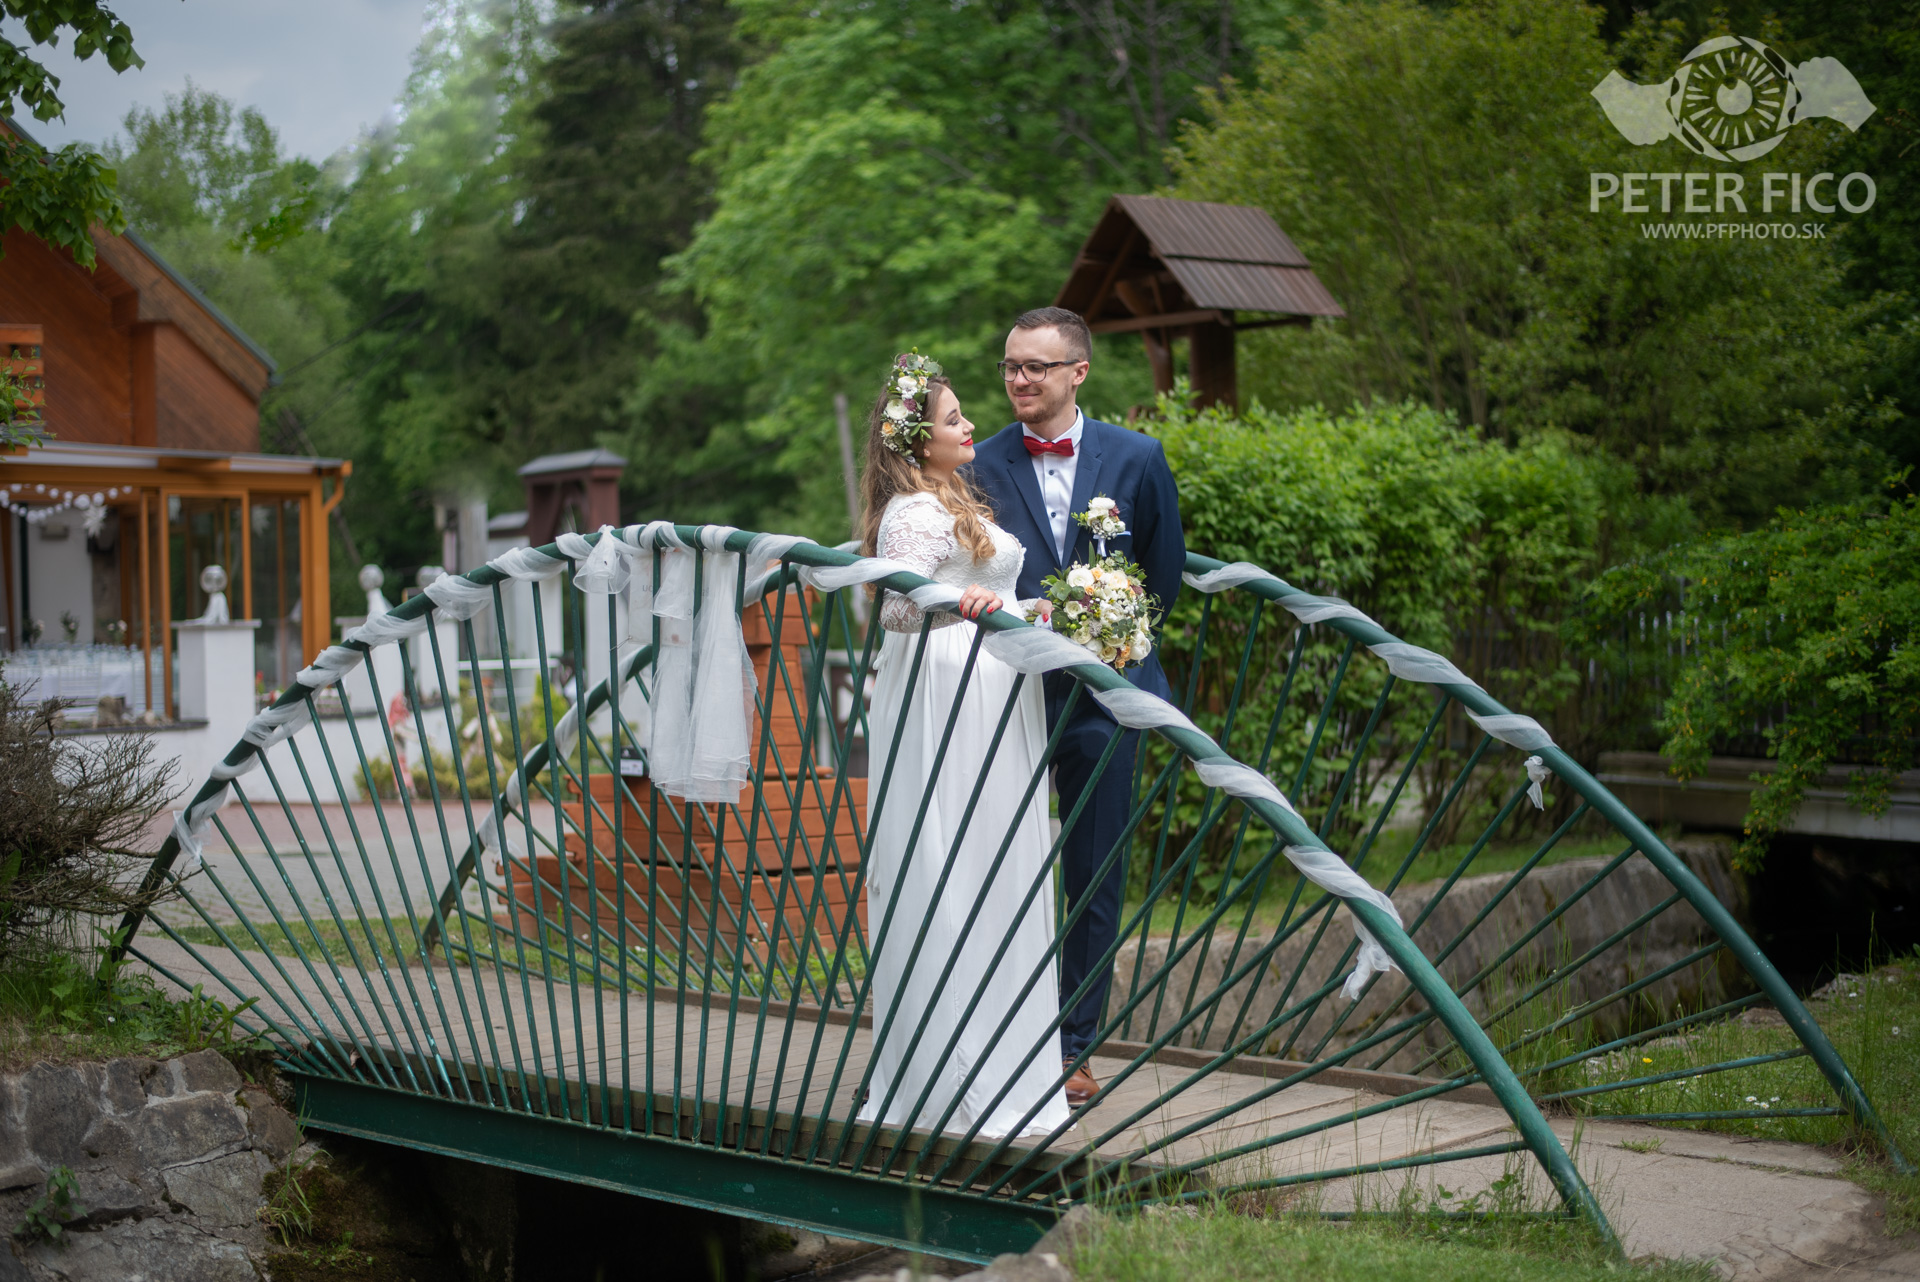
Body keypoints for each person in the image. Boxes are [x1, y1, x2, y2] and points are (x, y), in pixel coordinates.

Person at [965, 307, 1185, 1106]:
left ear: (1077, 373)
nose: (1020, 380)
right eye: (1011, 367)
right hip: (1006, 691)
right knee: (996, 861)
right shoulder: (977, 463)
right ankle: (992, 1031)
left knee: (1094, 868)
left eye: (1037, 368)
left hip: (1107, 692)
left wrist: (1113, 639)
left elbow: (1161, 576)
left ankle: (1073, 1046)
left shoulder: (1138, 458)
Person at [857, 352, 1072, 1140]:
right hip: (949, 690)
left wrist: (1033, 609)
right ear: (919, 443)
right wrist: (959, 603)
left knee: (1004, 860)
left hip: (995, 688)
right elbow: (898, 613)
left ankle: (1016, 1069)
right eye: (954, 419)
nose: (971, 424)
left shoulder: (950, 496)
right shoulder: (912, 513)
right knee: (958, 860)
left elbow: (998, 589)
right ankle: (956, 1079)